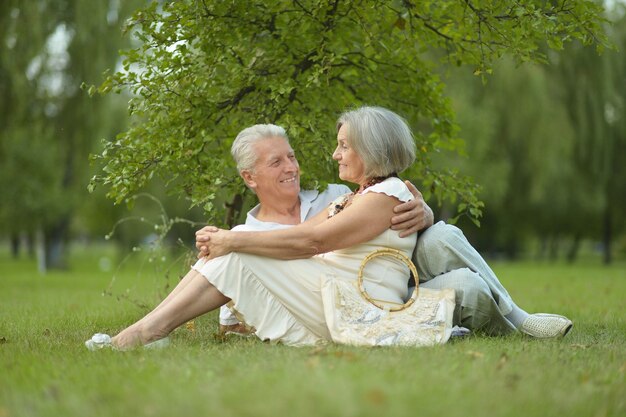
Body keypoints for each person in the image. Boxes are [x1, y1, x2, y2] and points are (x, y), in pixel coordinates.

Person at [86, 106, 430, 349]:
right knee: (236, 242)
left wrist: (233, 243)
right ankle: (146, 329)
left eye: (343, 145)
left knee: (237, 246)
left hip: (361, 307)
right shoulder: (357, 196)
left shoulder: (388, 193)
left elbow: (312, 241)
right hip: (333, 295)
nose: (335, 154)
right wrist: (229, 240)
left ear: (371, 149)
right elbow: (298, 237)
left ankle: (145, 334)